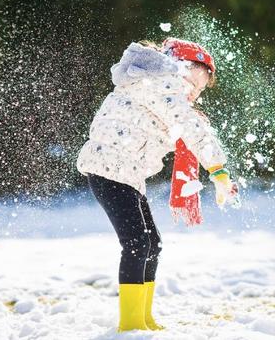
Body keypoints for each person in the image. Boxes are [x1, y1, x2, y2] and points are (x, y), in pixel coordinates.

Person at [76, 37, 239, 332]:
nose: (193, 93)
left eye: (199, 90)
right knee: (137, 243)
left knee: (152, 243)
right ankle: (130, 323)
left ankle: (143, 318)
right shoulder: (161, 82)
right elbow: (187, 124)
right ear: (179, 68)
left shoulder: (159, 85)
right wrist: (217, 169)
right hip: (109, 171)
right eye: (193, 83)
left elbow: (188, 123)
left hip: (126, 174)